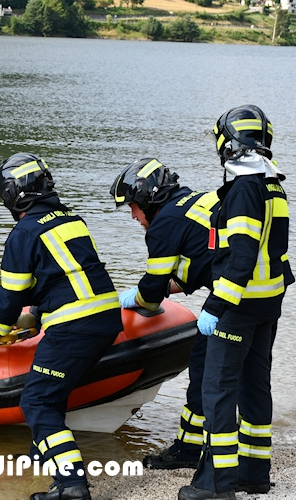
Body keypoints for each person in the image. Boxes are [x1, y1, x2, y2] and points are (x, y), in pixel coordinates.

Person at [0, 153, 123, 500]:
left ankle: (72, 485)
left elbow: (10, 298)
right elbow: (64, 274)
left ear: (16, 195)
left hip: (75, 326)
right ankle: (43, 453)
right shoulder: (71, 219)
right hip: (106, 318)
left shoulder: (23, 233)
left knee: (37, 400)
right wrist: (39, 313)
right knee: (52, 392)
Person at [179, 105, 294, 500]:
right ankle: (254, 474)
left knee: (219, 391)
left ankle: (216, 484)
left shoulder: (244, 186)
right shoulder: (272, 182)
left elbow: (242, 256)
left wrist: (215, 306)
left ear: (226, 142)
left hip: (238, 306)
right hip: (267, 304)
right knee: (255, 387)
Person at [110, 158, 220, 470]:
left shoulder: (163, 225)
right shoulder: (196, 202)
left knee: (203, 372)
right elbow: (200, 263)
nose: (132, 215)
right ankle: (250, 463)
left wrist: (136, 298)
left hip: (231, 298)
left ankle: (189, 451)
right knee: (246, 376)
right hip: (262, 291)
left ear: (147, 199)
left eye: (132, 206)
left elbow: (150, 292)